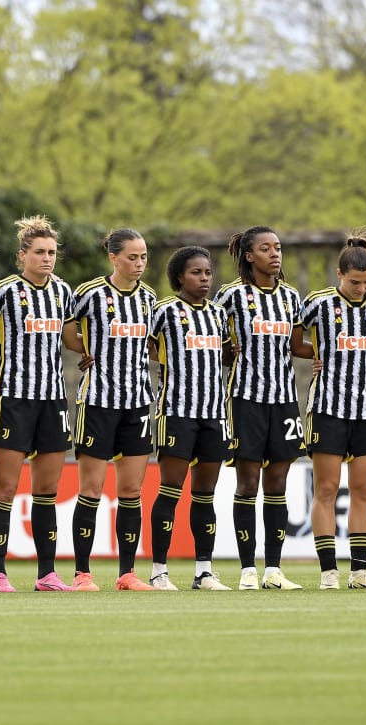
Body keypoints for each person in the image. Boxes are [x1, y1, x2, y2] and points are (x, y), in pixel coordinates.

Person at [0, 216, 82, 592]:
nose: (47, 259)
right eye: (39, 252)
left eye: (52, 252)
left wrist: (92, 351)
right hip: (14, 400)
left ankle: (47, 574)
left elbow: (73, 336)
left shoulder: (62, 291)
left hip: (53, 401)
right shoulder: (5, 291)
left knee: (46, 491)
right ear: (21, 255)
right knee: (5, 490)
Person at [215, 226, 311, 590]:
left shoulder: (290, 296)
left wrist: (322, 354)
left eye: (279, 247)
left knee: (278, 483)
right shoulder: (231, 295)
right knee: (248, 483)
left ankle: (273, 569)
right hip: (245, 400)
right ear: (249, 255)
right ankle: (246, 570)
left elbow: (299, 344)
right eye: (266, 248)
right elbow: (211, 341)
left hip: (284, 400)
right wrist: (226, 351)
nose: (275, 254)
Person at [299, 230, 366, 590]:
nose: (360, 288)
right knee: (326, 488)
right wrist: (316, 355)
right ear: (340, 275)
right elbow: (293, 340)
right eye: (354, 282)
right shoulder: (319, 303)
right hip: (328, 408)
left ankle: (359, 572)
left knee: (363, 490)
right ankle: (328, 572)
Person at [68, 228, 157, 592]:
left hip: (137, 403)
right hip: (98, 403)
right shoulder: (90, 294)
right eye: (132, 257)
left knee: (132, 490)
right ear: (113, 258)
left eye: (143, 257)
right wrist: (83, 350)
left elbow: (153, 344)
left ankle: (127, 573)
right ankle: (82, 573)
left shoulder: (149, 297)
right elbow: (66, 329)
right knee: (91, 489)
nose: (139, 264)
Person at [147, 246, 233, 591]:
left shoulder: (216, 314)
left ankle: (204, 571)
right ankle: (158, 571)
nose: (204, 279)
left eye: (208, 273)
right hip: (177, 412)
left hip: (213, 414)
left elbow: (227, 353)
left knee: (205, 495)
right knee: (169, 491)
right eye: (196, 273)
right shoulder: (165, 311)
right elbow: (144, 347)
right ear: (180, 277)